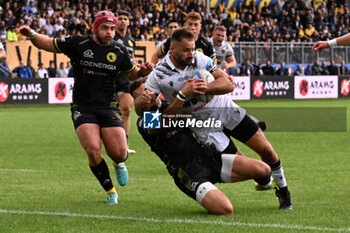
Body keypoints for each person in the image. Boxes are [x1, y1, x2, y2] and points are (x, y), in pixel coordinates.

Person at [138, 28, 292, 210]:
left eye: (193, 49)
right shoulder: (158, 75)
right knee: (240, 162)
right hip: (203, 125)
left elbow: (227, 83)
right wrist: (164, 98)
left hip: (225, 109)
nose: (191, 54)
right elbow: (143, 112)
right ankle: (263, 177)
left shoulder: (200, 59)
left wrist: (205, 89)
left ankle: (283, 190)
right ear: (172, 49)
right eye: (186, 50)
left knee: (265, 149)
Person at [19, 10, 153, 204]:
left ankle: (118, 162)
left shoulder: (120, 50)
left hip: (108, 106)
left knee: (119, 153)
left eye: (113, 28)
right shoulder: (78, 43)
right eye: (105, 28)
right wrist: (31, 34)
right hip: (83, 106)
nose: (109, 32)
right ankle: (110, 191)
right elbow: (48, 44)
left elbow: (131, 75)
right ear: (95, 28)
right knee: (93, 149)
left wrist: (143, 71)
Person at [130, 77, 271, 215]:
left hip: (209, 158)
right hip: (188, 172)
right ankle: (208, 190)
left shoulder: (172, 104)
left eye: (148, 90)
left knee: (264, 169)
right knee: (225, 209)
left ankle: (264, 183)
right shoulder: (143, 122)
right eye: (141, 95)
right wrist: (181, 95)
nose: (147, 95)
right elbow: (161, 124)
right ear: (135, 101)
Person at [151, 12, 216, 65]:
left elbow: (213, 64)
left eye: (196, 25)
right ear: (185, 25)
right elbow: (156, 54)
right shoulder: (174, 40)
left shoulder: (206, 45)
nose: (192, 28)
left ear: (200, 26)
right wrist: (152, 74)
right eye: (190, 24)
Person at [113, 10, 136, 154]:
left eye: (125, 18)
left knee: (126, 109)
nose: (122, 21)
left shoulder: (131, 40)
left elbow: (132, 58)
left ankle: (124, 144)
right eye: (120, 18)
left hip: (125, 79)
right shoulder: (111, 37)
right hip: (109, 77)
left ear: (128, 21)